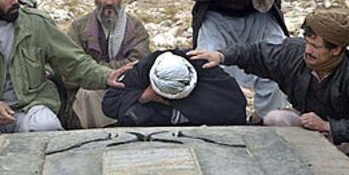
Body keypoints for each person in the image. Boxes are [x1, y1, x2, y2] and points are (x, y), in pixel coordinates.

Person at [187, 10, 349, 175]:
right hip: (308, 123)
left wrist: (327, 126)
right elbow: (256, 53)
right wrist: (222, 56)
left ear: (336, 49)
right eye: (307, 43)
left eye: (315, 46)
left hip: (344, 134)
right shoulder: (293, 54)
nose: (308, 51)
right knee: (275, 119)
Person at [0, 0, 129, 135]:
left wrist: (106, 77)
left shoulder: (37, 23)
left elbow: (74, 61)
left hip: (29, 107)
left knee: (47, 125)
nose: (15, 0)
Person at [179, 0, 290, 124]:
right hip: (215, 17)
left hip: (261, 14)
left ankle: (265, 120)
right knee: (208, 64)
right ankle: (223, 122)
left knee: (277, 59)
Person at [65, 0, 150, 129]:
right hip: (88, 88)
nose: (109, 2)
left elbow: (140, 65)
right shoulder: (79, 27)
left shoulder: (135, 27)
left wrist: (95, 67)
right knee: (88, 94)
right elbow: (71, 68)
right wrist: (101, 75)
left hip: (126, 87)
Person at [102, 49, 247, 126]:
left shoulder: (202, 66)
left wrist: (178, 104)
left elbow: (235, 107)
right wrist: (142, 97)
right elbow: (110, 104)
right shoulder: (143, 69)